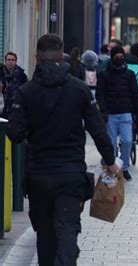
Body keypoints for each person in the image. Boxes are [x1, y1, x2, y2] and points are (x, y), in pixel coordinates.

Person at [6, 33, 118, 266]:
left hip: (39, 176)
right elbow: (98, 129)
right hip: (71, 175)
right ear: (62, 54)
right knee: (67, 229)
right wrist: (110, 160)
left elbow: (15, 134)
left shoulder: (26, 92)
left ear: (36, 57)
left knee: (45, 235)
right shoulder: (79, 90)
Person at [96, 46, 138, 181]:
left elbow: (135, 94)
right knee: (111, 144)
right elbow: (100, 95)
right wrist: (104, 111)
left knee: (127, 141)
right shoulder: (104, 75)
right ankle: (114, 167)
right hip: (110, 113)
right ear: (112, 57)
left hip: (125, 112)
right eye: (117, 56)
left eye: (121, 56)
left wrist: (137, 112)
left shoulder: (129, 74)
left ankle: (124, 168)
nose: (119, 59)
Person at [1, 51, 28, 119]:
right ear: (5, 61)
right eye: (8, 60)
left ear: (16, 61)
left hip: (16, 108)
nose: (10, 62)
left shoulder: (21, 75)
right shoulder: (1, 74)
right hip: (2, 108)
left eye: (13, 60)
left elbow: (27, 90)